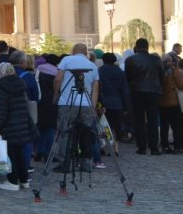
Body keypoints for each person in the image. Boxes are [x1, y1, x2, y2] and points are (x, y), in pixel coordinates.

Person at [0, 63, 38, 191]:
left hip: (8, 126)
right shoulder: (20, 85)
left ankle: (12, 181)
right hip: (21, 123)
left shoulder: (1, 88)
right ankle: (24, 180)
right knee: (20, 153)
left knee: (10, 155)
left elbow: (0, 111)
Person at [53, 44, 100, 172]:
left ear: (73, 51)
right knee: (87, 134)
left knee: (65, 133)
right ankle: (86, 164)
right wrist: (93, 106)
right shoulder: (92, 66)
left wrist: (56, 95)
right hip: (86, 104)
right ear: (86, 53)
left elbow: (58, 79)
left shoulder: (66, 60)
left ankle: (65, 163)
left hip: (67, 102)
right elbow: (95, 89)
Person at [124, 39, 165, 156]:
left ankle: (141, 147)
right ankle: (154, 148)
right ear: (148, 47)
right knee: (152, 120)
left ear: (136, 47)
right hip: (153, 92)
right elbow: (161, 76)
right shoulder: (156, 59)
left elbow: (127, 76)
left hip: (136, 91)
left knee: (139, 120)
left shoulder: (130, 60)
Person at [97, 53, 129, 158]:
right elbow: (124, 91)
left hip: (104, 102)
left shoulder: (100, 70)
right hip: (117, 103)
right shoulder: (120, 72)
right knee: (116, 126)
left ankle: (105, 148)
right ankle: (115, 148)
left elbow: (98, 88)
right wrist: (125, 106)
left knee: (104, 125)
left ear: (103, 60)